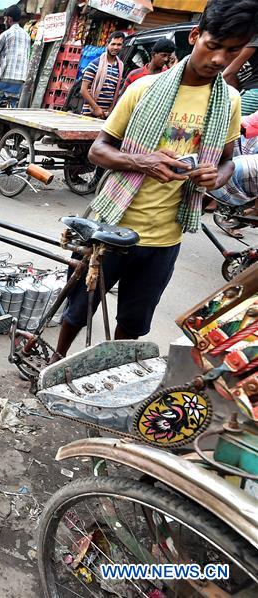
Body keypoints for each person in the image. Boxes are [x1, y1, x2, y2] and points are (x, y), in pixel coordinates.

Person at [53, 0, 249, 361]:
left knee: (134, 320)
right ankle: (55, 358)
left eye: (232, 51)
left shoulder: (230, 101)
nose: (219, 59)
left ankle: (112, 371)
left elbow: (227, 163)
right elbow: (98, 151)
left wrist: (213, 177)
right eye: (213, 46)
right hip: (110, 227)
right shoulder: (143, 89)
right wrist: (142, 161)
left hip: (164, 238)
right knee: (79, 306)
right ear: (194, 36)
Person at [80, 31, 126, 118]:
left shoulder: (120, 66)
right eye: (113, 44)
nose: (115, 47)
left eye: (119, 45)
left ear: (122, 46)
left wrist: (110, 110)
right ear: (107, 44)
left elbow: (115, 91)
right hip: (90, 113)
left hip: (105, 115)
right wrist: (96, 108)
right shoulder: (95, 64)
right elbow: (83, 90)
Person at [224, 35, 258, 115]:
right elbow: (233, 82)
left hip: (255, 90)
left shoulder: (253, 37)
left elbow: (229, 73)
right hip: (245, 89)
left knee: (227, 120)